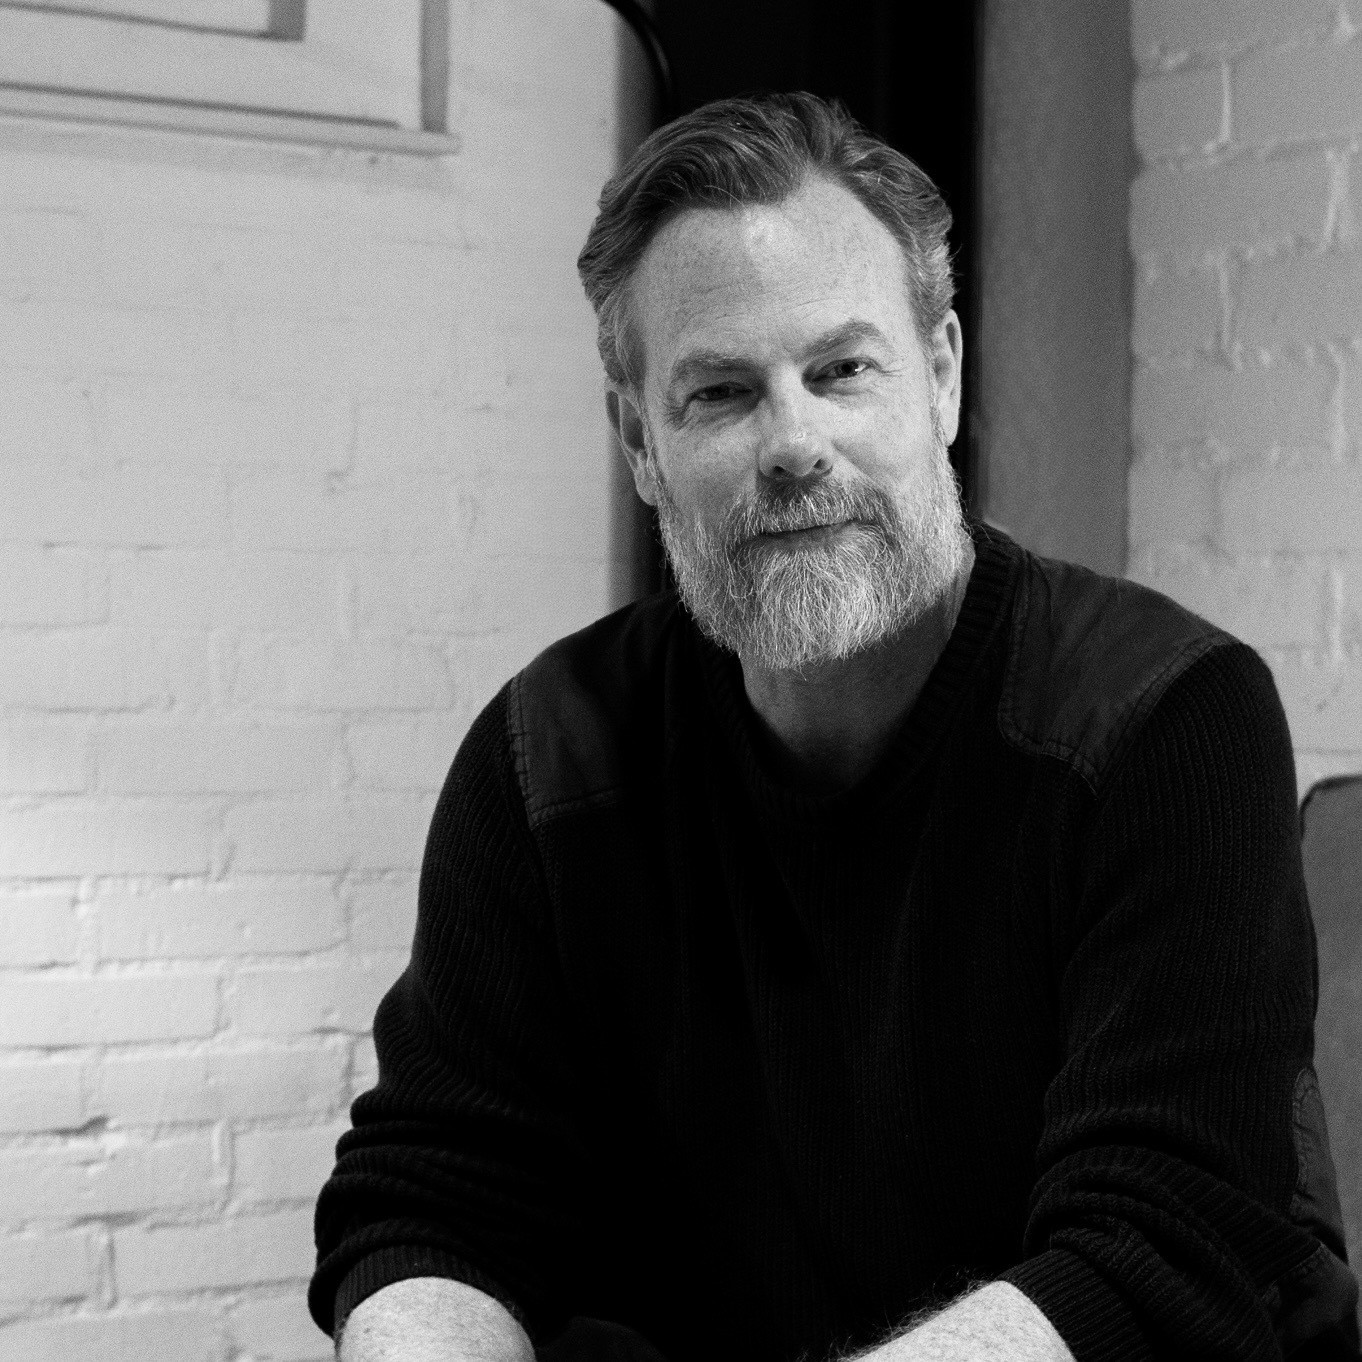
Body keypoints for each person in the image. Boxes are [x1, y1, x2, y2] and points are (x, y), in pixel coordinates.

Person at [309, 92, 1360, 1361]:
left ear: (943, 376)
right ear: (639, 440)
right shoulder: (548, 754)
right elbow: (435, 1200)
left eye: (842, 371)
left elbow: (1157, 1256)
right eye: (721, 393)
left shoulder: (1163, 717)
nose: (793, 444)